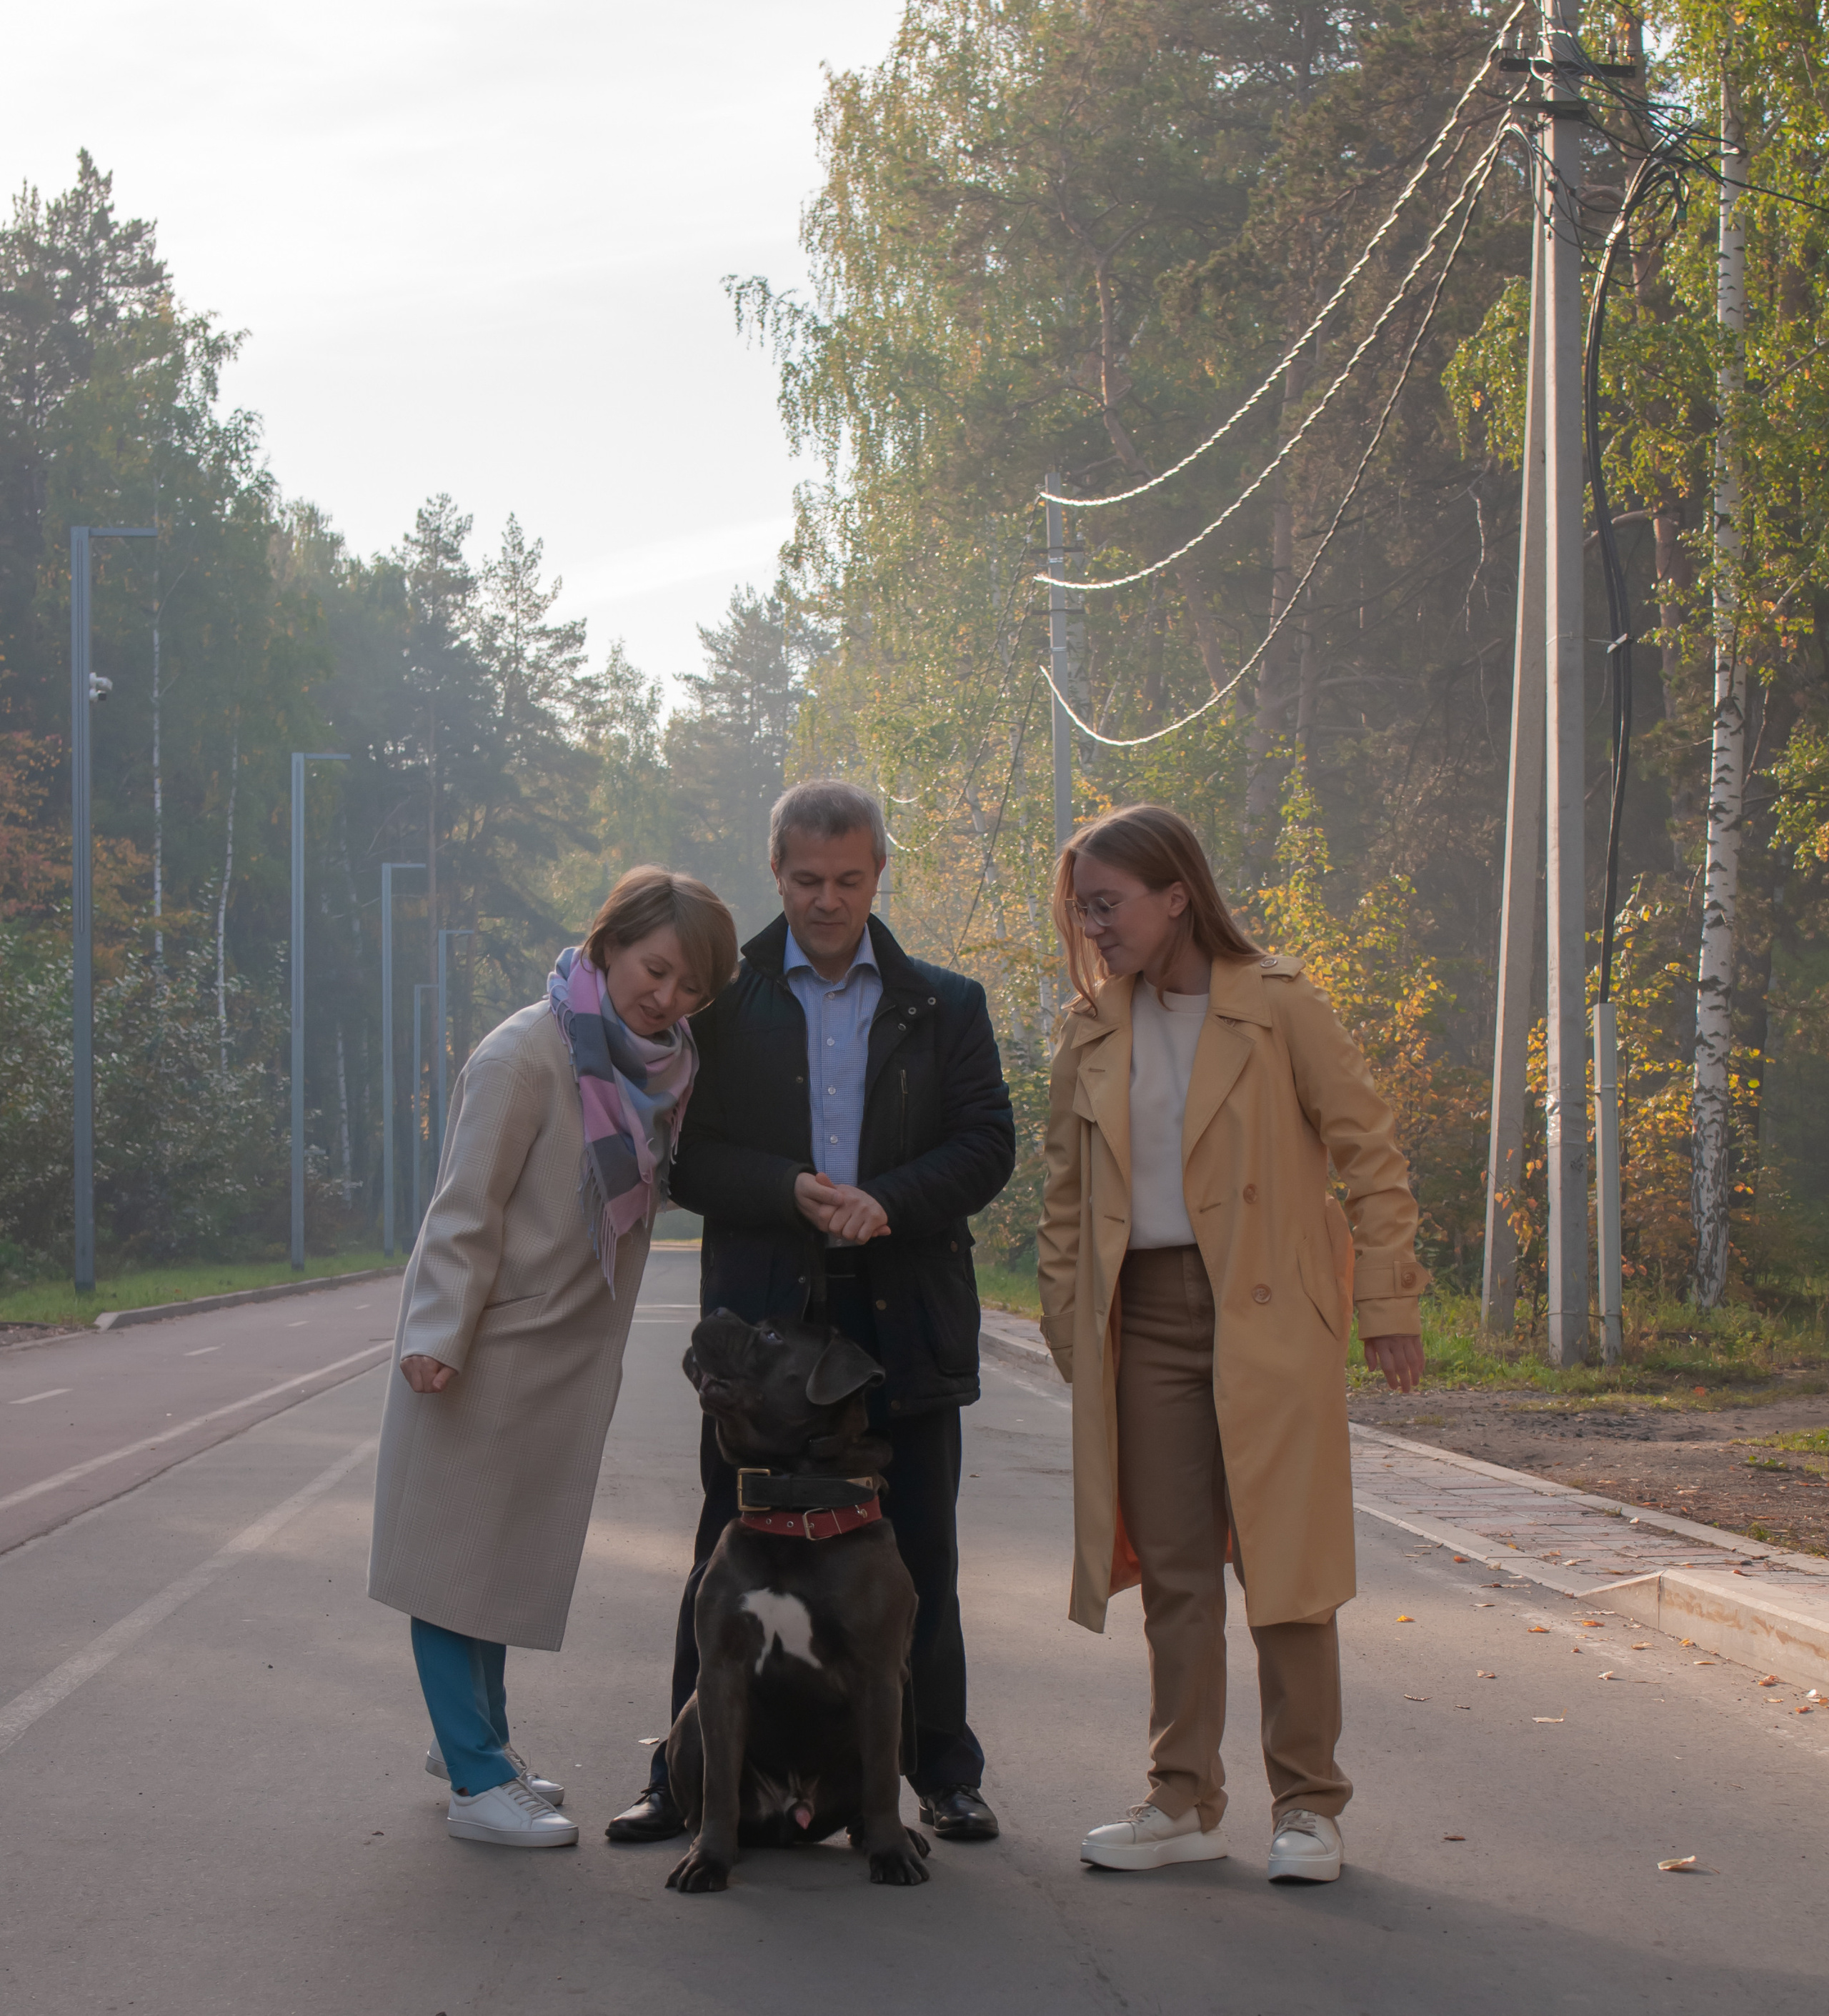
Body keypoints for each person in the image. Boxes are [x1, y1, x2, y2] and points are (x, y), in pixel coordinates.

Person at [606, 779, 1016, 1847]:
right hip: (766, 1332)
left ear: (880, 872)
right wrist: (790, 1186)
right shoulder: (725, 1005)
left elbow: (986, 1145)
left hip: (903, 1314)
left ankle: (942, 1769)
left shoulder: (947, 1004)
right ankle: (684, 1769)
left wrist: (891, 1200)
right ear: (775, 872)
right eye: (804, 880)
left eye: (848, 879)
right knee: (727, 1548)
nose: (826, 900)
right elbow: (685, 1155)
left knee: (918, 1545)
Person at [1036, 804, 1428, 1883]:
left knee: (1286, 1566)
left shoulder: (1280, 1007)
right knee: (1174, 1569)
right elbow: (1066, 1193)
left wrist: (1390, 1303)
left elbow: (1372, 1152)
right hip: (1144, 1317)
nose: (1093, 926)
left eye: (1107, 904)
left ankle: (1308, 1807)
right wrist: (1066, 1311)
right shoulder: (1093, 1029)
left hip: (1267, 1311)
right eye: (1082, 909)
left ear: (1176, 896)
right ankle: (1182, 1797)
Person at [368, 866, 737, 1847]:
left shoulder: (660, 1068)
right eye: (656, 969)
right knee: (451, 1558)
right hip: (483, 1345)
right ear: (610, 942)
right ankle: (477, 1781)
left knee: (494, 1559)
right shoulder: (526, 1053)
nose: (668, 997)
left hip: (557, 1357)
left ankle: (477, 1746)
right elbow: (466, 1202)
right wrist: (438, 1333)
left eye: (691, 987)